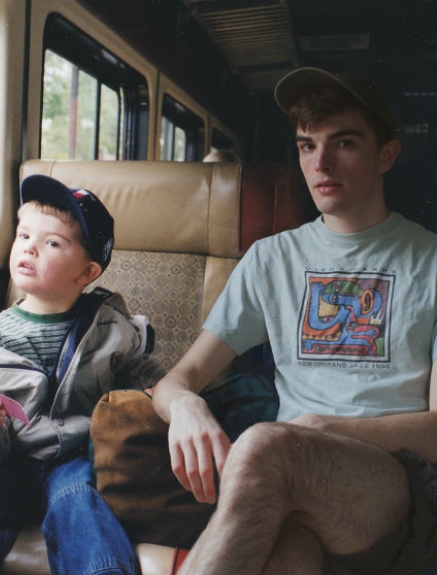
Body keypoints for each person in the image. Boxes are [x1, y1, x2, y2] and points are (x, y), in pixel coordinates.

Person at [152, 66, 437, 574]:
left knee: (266, 444)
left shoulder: (431, 261)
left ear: (386, 155)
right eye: (307, 146)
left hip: (394, 485)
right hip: (285, 483)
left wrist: (318, 428)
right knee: (285, 555)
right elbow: (176, 381)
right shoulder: (270, 259)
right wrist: (187, 406)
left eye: (344, 143)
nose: (321, 163)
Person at [0, 174, 165, 574]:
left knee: (80, 501)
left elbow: (139, 371)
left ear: (85, 273)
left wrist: (153, 392)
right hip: (4, 463)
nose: (29, 247)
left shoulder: (110, 327)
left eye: (52, 243)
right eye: (23, 235)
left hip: (75, 456)